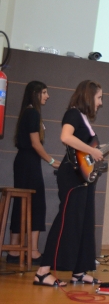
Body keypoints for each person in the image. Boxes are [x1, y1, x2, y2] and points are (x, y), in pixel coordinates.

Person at [33, 80, 109, 287]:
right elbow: (66, 137)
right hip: (72, 178)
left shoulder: (83, 119)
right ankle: (42, 271)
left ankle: (79, 272)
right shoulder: (73, 114)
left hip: (84, 179)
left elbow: (89, 152)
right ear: (88, 96)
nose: (101, 103)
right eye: (99, 97)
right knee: (65, 222)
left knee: (83, 225)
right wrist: (93, 150)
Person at [6, 81, 60, 265]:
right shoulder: (33, 113)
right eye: (44, 92)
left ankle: (14, 251)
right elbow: (35, 144)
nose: (47, 96)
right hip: (28, 163)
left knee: (22, 203)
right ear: (36, 93)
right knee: (36, 204)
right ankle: (34, 251)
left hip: (24, 162)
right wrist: (53, 162)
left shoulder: (27, 112)